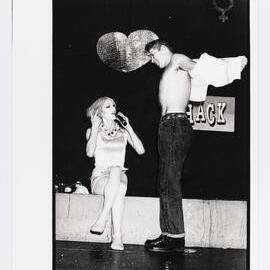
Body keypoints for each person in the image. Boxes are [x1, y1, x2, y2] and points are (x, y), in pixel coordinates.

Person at [143, 40, 248, 252]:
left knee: (170, 181)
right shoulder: (173, 66)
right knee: (165, 181)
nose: (152, 61)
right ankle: (168, 234)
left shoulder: (176, 59)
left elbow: (201, 69)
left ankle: (175, 238)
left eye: (153, 55)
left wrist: (230, 66)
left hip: (175, 125)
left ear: (162, 48)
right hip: (168, 126)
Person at [86, 96, 145, 251]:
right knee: (119, 189)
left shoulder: (123, 133)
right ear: (100, 112)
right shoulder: (93, 132)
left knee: (116, 169)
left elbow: (141, 150)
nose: (113, 108)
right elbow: (89, 153)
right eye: (108, 106)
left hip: (119, 174)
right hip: (100, 178)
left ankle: (102, 218)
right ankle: (117, 236)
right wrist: (93, 127)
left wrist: (129, 127)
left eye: (114, 105)